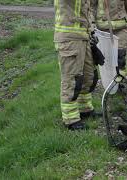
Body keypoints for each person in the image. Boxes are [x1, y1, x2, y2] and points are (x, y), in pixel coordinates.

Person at [54, 0, 101, 130]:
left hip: (84, 37)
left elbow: (87, 10)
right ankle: (70, 119)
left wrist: (91, 31)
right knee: (72, 79)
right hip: (69, 40)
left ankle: (85, 109)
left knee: (88, 76)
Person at [96, 0, 127, 75]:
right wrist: (91, 24)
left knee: (120, 55)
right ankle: (109, 80)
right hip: (102, 29)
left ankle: (119, 81)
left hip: (121, 28)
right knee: (105, 58)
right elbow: (91, 8)